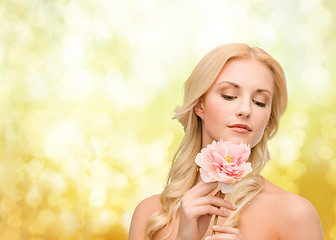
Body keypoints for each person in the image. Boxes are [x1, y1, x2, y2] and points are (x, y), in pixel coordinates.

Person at [129, 43, 324, 240]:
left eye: (260, 102)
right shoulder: (150, 215)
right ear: (199, 105)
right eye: (229, 96)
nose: (246, 110)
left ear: (268, 119)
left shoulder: (295, 214)